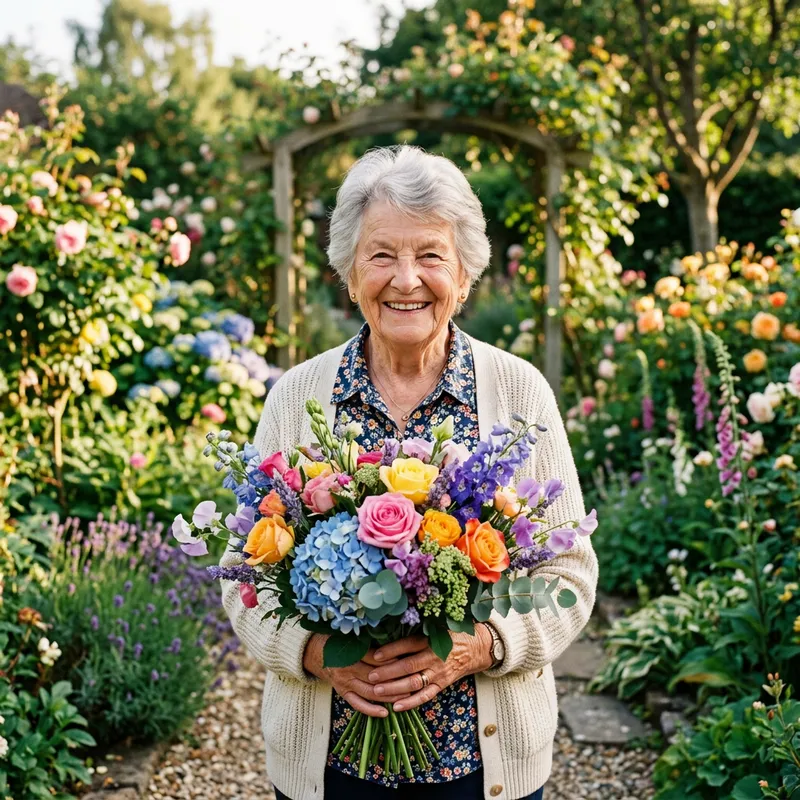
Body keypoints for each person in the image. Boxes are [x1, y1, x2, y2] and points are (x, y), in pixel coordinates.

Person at [219, 145, 598, 800]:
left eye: (429, 255)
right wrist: (314, 654)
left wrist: (483, 643)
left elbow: (570, 573)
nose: (405, 279)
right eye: (381, 254)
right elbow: (243, 573)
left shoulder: (519, 393)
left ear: (464, 272)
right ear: (349, 269)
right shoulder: (296, 398)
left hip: (483, 775)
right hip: (331, 773)